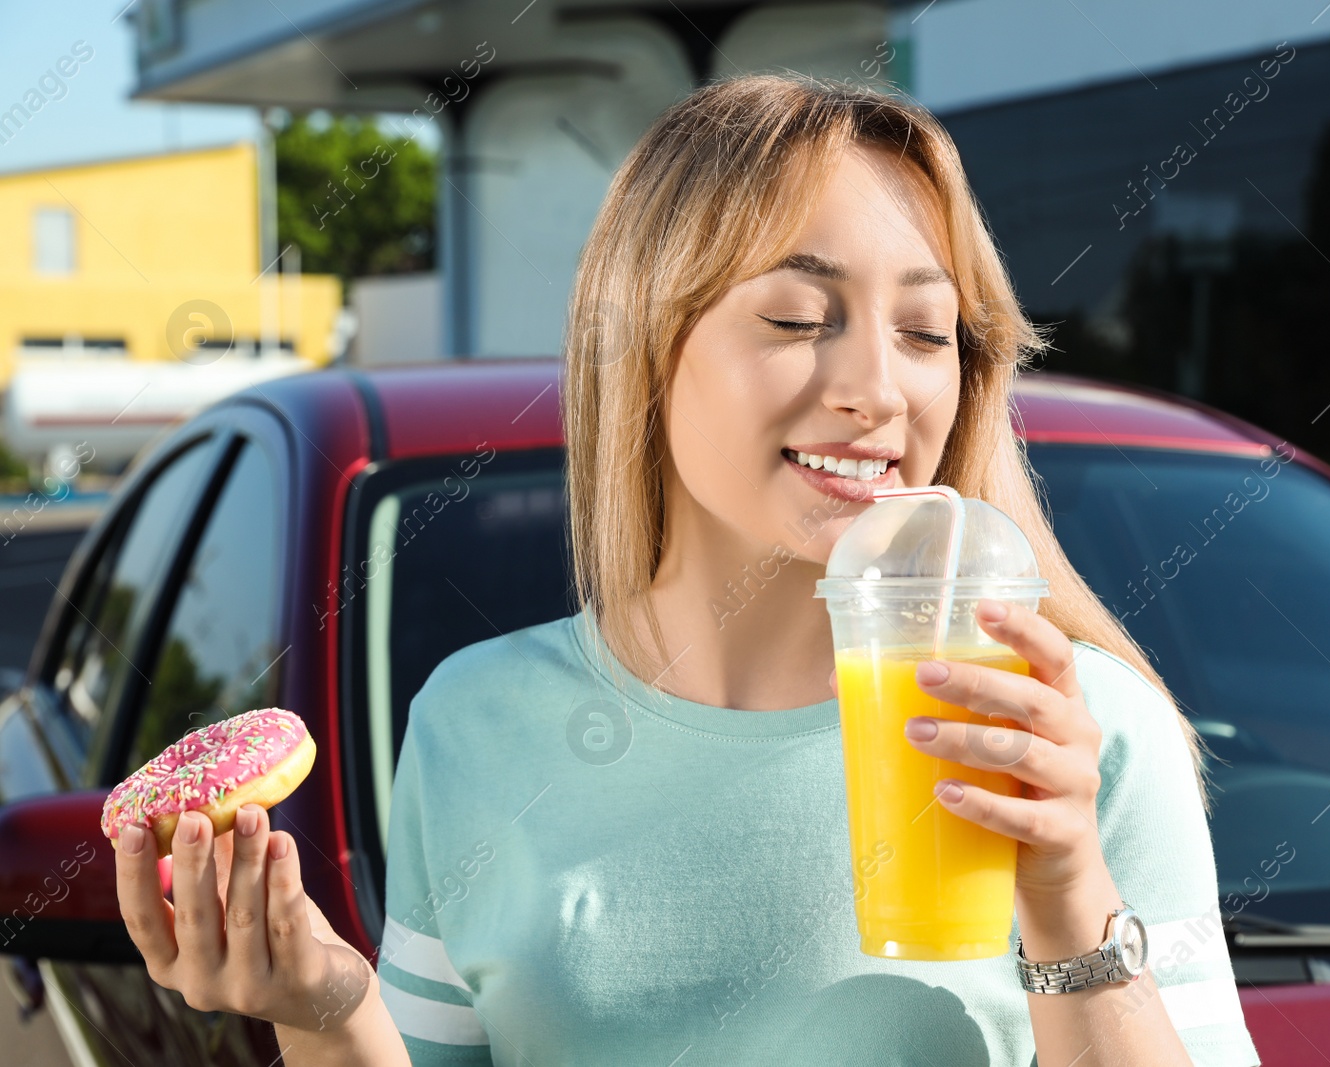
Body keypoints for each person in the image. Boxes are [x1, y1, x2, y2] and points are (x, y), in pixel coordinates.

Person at [114, 72, 1261, 1067]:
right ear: (649, 353)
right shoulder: (476, 721)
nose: (879, 388)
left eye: (925, 331)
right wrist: (329, 1007)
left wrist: (1068, 901)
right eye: (801, 316)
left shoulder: (1067, 732)